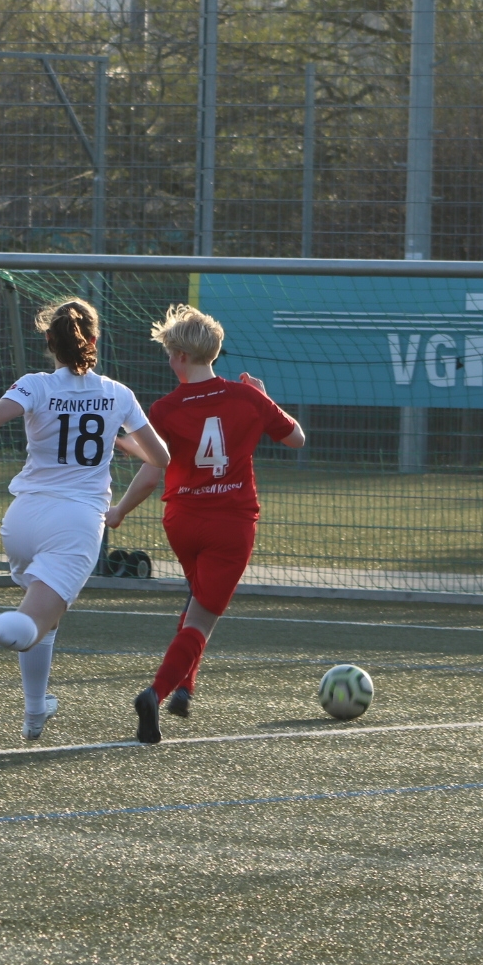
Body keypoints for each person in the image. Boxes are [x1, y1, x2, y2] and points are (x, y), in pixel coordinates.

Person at [0, 298, 170, 741]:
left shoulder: (35, 385)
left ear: (49, 342)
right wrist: (118, 448)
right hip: (74, 523)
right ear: (94, 340)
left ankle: (35, 712)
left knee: (46, 616)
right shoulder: (118, 394)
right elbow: (161, 458)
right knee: (29, 624)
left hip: (22, 520)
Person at [106, 304, 305, 744]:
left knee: (197, 600)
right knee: (202, 618)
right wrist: (264, 396)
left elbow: (155, 469)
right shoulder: (246, 397)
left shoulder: (164, 408)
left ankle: (185, 687)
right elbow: (296, 439)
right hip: (231, 523)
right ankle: (154, 694)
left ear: (178, 355)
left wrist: (119, 510)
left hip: (182, 520)